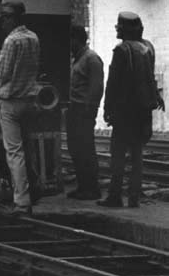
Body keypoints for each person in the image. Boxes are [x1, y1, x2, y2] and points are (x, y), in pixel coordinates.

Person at [99, 12, 163, 208]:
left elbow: (113, 83)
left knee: (118, 155)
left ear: (126, 29)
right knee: (137, 154)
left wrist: (108, 108)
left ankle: (115, 196)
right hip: (143, 111)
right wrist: (157, 97)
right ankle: (134, 198)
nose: (116, 28)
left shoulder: (121, 50)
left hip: (124, 112)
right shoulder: (148, 48)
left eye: (119, 25)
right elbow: (150, 78)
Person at [0, 1, 42, 216]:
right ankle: (35, 190)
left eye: (4, 19)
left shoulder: (10, 41)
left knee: (15, 152)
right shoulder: (33, 37)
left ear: (11, 19)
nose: (2, 23)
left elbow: (0, 74)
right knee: (28, 149)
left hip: (11, 102)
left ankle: (22, 202)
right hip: (29, 100)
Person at [66, 24, 104, 200]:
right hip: (75, 109)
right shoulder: (78, 59)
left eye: (70, 39)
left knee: (86, 149)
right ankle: (83, 187)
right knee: (76, 149)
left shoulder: (91, 59)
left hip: (84, 110)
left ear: (77, 39)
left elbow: (96, 88)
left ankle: (92, 189)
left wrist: (89, 110)